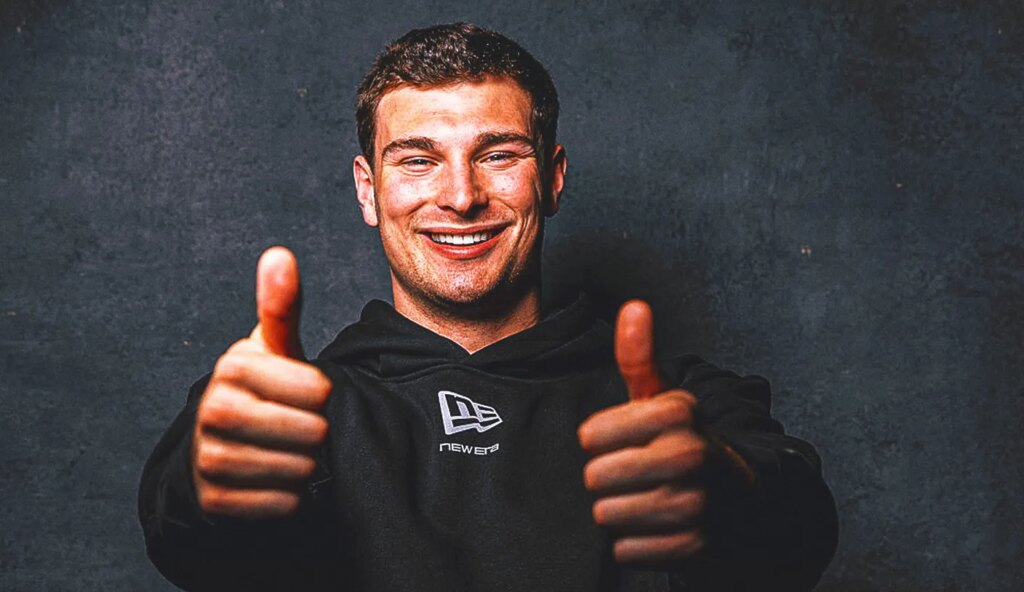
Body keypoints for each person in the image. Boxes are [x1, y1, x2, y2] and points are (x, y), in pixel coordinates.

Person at [138, 22, 838, 592]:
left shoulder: (677, 407)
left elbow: (797, 533)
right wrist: (209, 481)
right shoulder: (281, 411)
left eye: (499, 155)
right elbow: (186, 537)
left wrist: (725, 493)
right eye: (418, 160)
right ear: (367, 190)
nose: (461, 196)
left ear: (553, 179)